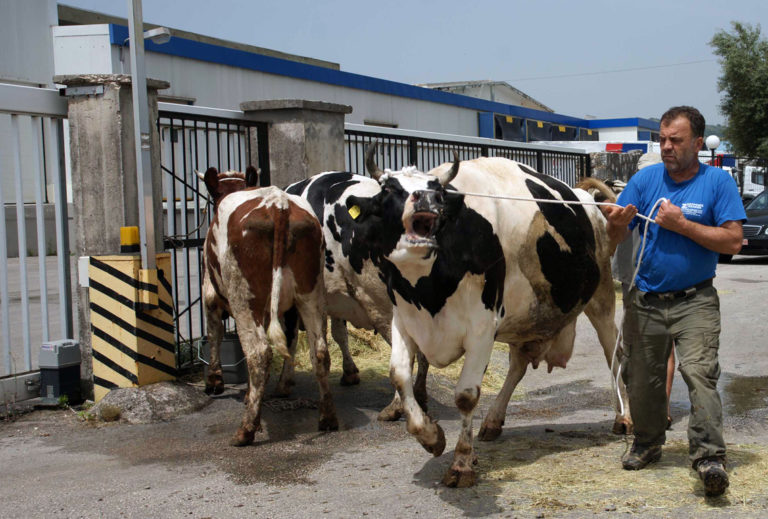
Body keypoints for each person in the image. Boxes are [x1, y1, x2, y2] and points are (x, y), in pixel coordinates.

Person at [604, 106, 745, 498]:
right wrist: (615, 224)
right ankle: (648, 443)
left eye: (675, 140)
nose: (666, 147)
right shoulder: (645, 179)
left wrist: (682, 225)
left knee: (699, 374)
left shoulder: (717, 183)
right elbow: (615, 236)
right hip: (645, 299)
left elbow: (733, 241)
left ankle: (708, 457)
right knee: (642, 380)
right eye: (662, 140)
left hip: (695, 299)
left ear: (698, 143)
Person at [611, 153, 675, 430]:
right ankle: (642, 409)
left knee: (650, 345)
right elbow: (612, 235)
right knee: (651, 346)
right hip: (635, 281)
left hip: (651, 281)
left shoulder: (636, 200)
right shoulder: (633, 203)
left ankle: (651, 409)